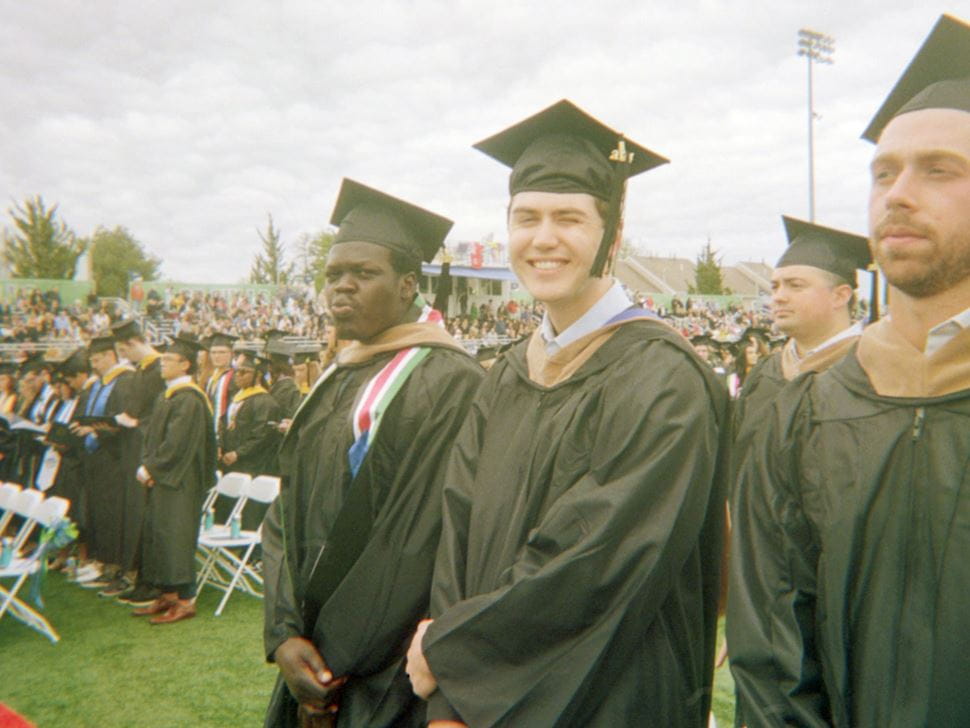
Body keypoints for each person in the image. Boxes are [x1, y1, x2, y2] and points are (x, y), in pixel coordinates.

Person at [405, 100, 728, 727]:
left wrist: (454, 654)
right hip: (479, 699)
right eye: (526, 218)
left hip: (613, 694)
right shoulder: (505, 373)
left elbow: (600, 562)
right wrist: (451, 694)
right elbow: (459, 530)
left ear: (612, 234)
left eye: (569, 218)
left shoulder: (662, 377)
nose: (543, 238)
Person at [727, 15, 970, 726]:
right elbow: (772, 647)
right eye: (883, 173)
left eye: (940, 170)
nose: (896, 193)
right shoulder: (811, 406)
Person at [262, 179, 483, 727]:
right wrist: (284, 633)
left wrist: (329, 672)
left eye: (364, 274)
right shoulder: (339, 372)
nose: (342, 288)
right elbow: (285, 514)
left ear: (409, 284)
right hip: (307, 653)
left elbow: (411, 542)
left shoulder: (446, 380)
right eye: (334, 275)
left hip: (382, 675)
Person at [732, 218, 872, 465]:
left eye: (795, 286)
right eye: (774, 287)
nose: (778, 297)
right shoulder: (764, 374)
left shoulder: (872, 374)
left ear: (840, 296)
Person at [132, 334, 217, 625]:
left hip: (180, 480)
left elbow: (177, 444)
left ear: (185, 365)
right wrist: (149, 465)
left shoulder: (190, 400)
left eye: (168, 359)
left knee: (177, 536)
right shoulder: (167, 395)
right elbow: (154, 437)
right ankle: (168, 594)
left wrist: (152, 469)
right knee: (161, 534)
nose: (162, 363)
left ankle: (185, 599)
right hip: (166, 478)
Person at [105, 318, 167, 600]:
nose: (124, 358)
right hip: (136, 445)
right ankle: (140, 577)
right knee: (137, 515)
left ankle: (150, 580)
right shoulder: (145, 370)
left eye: (124, 351)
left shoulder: (158, 370)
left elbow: (147, 412)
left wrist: (131, 420)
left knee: (148, 517)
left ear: (132, 343)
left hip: (147, 447)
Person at [70, 332, 136, 589]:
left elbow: (126, 422)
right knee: (97, 511)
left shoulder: (126, 381)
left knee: (113, 513)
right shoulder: (98, 383)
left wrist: (97, 430)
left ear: (111, 355)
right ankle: (104, 562)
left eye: (97, 359)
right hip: (95, 458)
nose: (93, 366)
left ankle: (118, 565)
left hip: (115, 459)